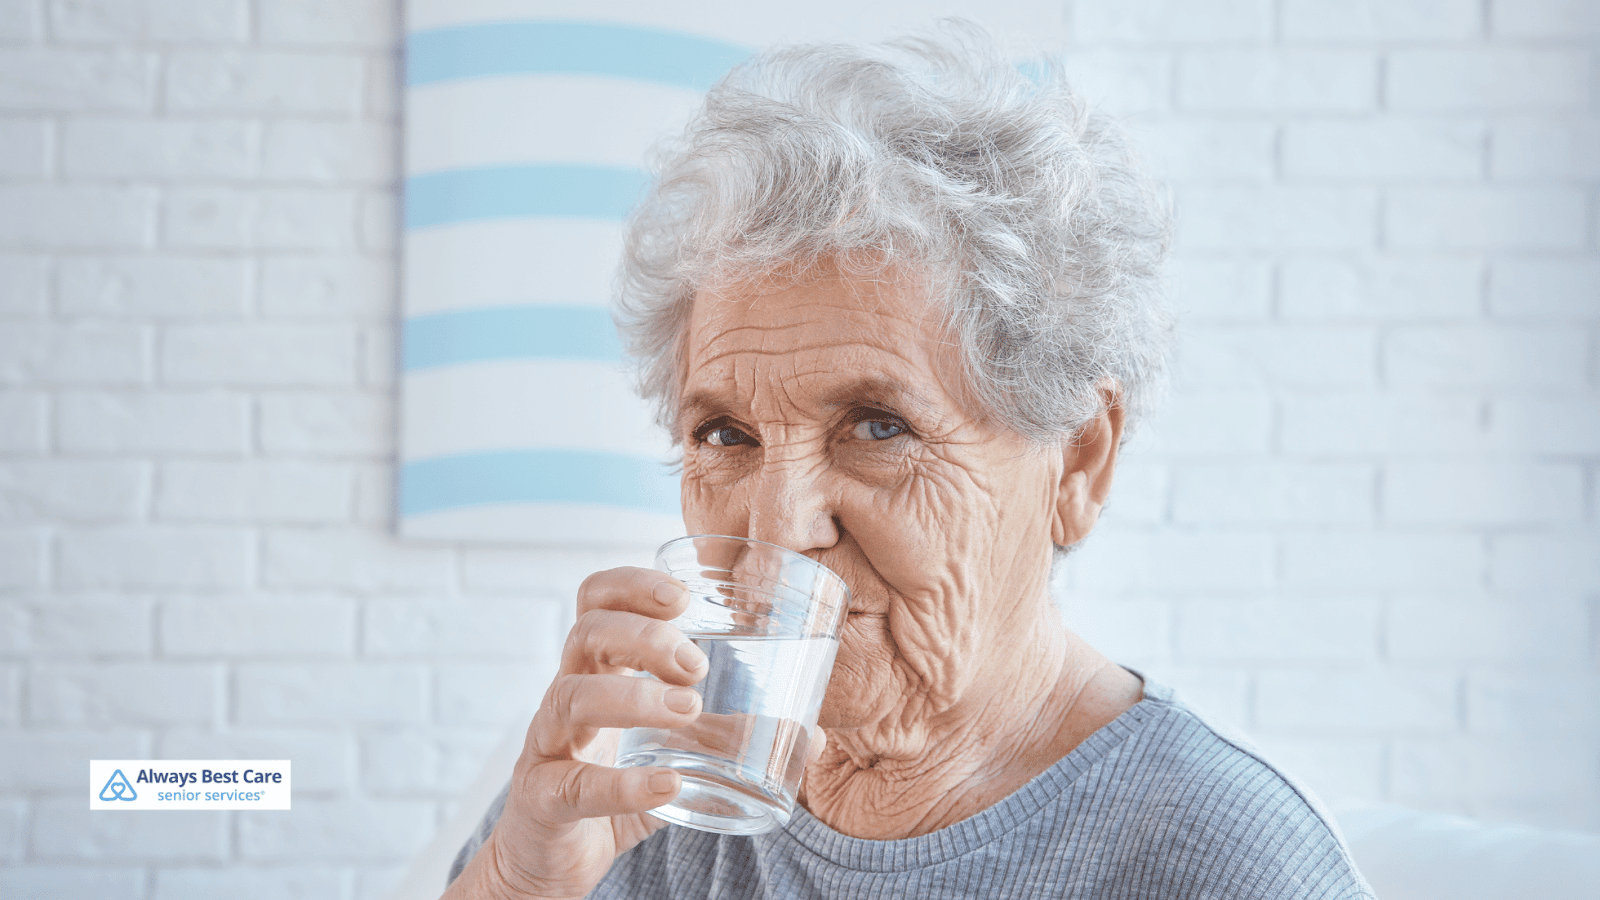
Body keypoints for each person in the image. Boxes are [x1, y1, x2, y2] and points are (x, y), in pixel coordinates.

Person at [442, 24, 1374, 900]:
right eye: (726, 436)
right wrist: (519, 881)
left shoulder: (1224, 859)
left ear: (1079, 462)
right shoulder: (657, 784)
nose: (776, 532)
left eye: (878, 426)